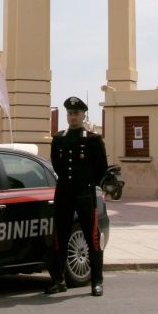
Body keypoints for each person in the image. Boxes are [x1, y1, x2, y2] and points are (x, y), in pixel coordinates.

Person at [46, 96, 108, 297]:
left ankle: (96, 282)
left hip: (84, 193)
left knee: (92, 237)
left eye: (76, 114)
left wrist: (89, 184)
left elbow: (101, 168)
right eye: (70, 114)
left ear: (83, 115)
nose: (73, 117)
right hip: (64, 192)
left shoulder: (92, 139)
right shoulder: (59, 139)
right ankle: (58, 280)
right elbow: (56, 164)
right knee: (60, 237)